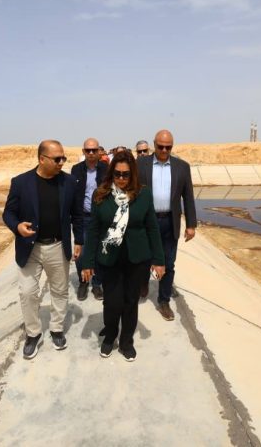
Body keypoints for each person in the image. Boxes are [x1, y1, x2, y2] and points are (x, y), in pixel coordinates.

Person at [2, 140, 83, 359]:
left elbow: (77, 215)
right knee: (27, 292)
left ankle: (56, 328)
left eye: (63, 158)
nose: (61, 162)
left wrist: (79, 241)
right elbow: (8, 213)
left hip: (58, 246)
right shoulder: (21, 182)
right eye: (57, 159)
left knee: (60, 291)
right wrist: (17, 226)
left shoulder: (69, 182)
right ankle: (33, 333)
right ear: (42, 159)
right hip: (30, 248)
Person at [81, 151, 165, 362]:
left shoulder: (143, 194)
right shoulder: (101, 195)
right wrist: (87, 262)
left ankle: (126, 341)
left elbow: (152, 228)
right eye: (117, 174)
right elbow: (93, 230)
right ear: (111, 173)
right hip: (110, 258)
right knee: (112, 302)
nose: (121, 178)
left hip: (137, 259)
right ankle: (110, 335)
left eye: (125, 174)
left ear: (132, 174)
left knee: (130, 302)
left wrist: (159, 260)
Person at [136, 130, 197, 322]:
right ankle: (142, 284)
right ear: (154, 145)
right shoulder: (141, 164)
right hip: (147, 221)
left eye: (168, 147)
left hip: (170, 222)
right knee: (143, 259)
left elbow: (188, 196)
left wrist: (191, 224)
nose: (164, 150)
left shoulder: (182, 167)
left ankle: (163, 301)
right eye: (160, 146)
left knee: (168, 263)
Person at [70, 138, 107, 301]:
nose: (91, 153)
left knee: (100, 252)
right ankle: (84, 282)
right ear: (83, 151)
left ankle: (97, 284)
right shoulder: (76, 169)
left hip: (101, 218)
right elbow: (71, 194)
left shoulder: (106, 169)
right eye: (88, 150)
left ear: (99, 151)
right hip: (82, 218)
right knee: (81, 253)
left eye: (94, 150)